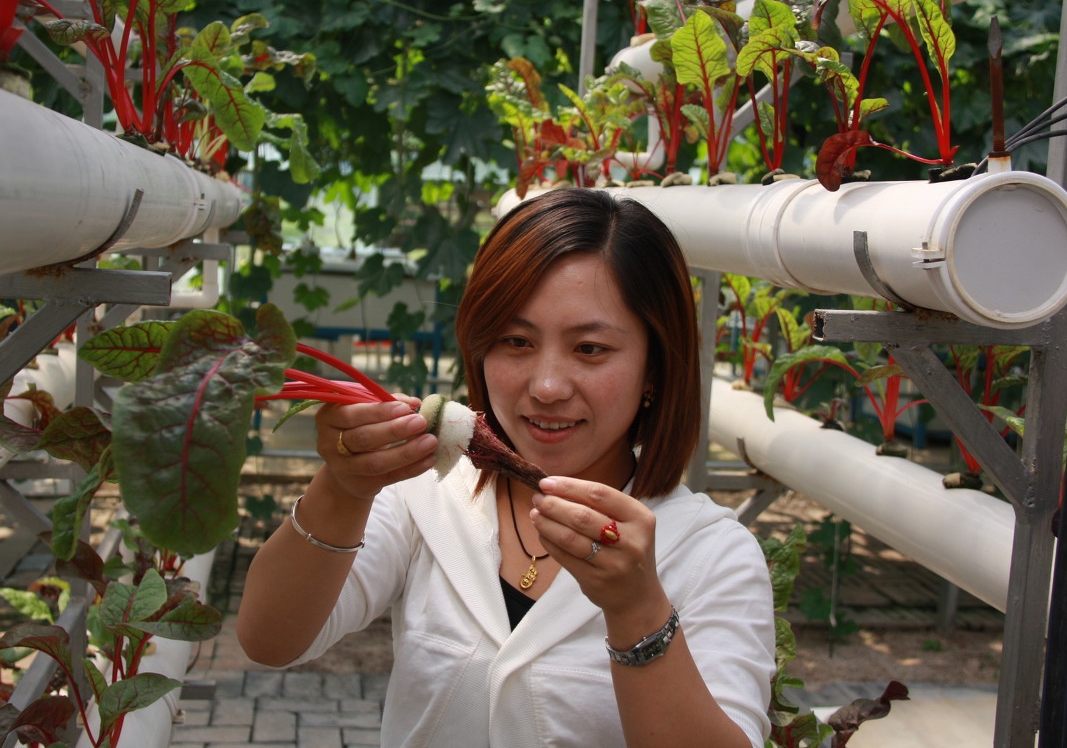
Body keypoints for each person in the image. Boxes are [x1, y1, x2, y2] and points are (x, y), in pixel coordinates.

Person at [237, 187, 776, 747]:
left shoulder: (712, 553)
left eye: (590, 349)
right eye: (515, 341)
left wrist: (639, 611)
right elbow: (271, 640)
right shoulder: (427, 494)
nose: (545, 387)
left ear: (655, 369)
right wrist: (343, 488)